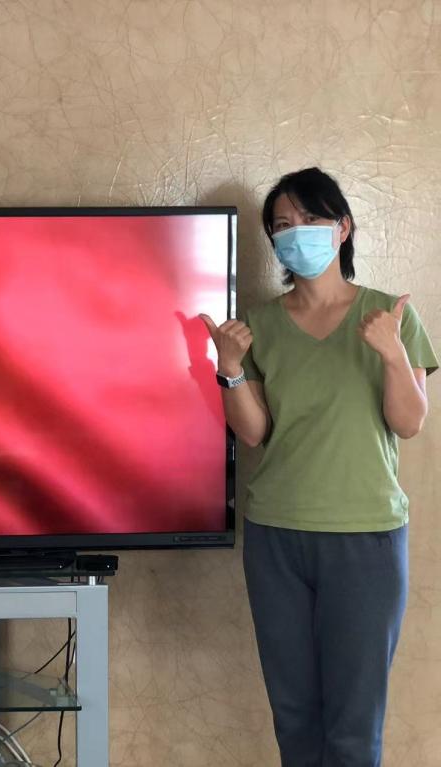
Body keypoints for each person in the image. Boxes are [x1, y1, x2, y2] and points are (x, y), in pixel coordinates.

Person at [200, 167, 437, 767]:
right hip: (276, 536)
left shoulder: (390, 315)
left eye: (310, 219)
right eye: (282, 224)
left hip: (366, 538)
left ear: (343, 227)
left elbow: (410, 423)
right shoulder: (259, 326)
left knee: (354, 727)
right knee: (295, 718)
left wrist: (391, 353)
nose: (296, 232)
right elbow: (255, 432)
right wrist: (229, 368)